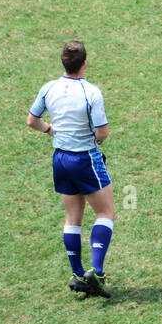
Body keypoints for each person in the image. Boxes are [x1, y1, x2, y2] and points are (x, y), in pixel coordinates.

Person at [26, 41, 115, 298]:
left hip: (60, 160)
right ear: (85, 63)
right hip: (85, 159)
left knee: (72, 218)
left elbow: (32, 120)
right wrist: (95, 142)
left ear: (63, 63)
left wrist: (50, 129)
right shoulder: (91, 92)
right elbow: (102, 133)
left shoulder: (49, 88)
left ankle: (77, 275)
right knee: (106, 212)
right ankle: (96, 272)